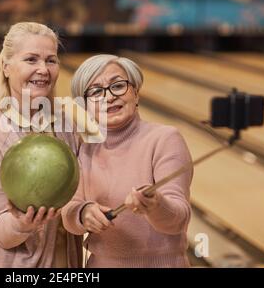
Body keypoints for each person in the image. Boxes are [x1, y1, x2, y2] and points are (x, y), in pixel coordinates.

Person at [0, 22, 82, 267]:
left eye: (51, 60)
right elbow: (1, 232)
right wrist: (21, 224)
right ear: (6, 67)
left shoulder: (65, 124)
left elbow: (81, 192)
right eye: (31, 60)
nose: (43, 69)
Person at [62, 54, 193, 267]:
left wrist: (155, 204)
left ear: (136, 93)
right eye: (96, 92)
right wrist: (83, 212)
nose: (109, 97)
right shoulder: (85, 151)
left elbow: (178, 219)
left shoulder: (165, 139)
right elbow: (69, 211)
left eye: (118, 85)